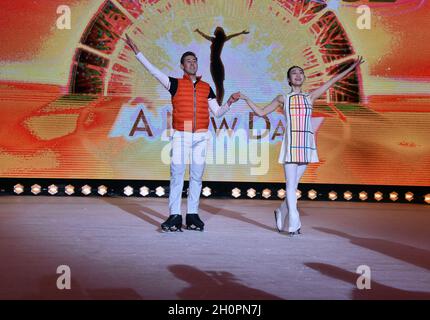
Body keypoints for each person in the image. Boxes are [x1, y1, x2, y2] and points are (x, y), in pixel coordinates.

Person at [124, 34, 240, 232]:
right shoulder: (174, 84)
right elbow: (153, 72)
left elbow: (218, 113)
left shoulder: (206, 88)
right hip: (181, 136)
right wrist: (138, 53)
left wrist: (229, 102)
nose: (192, 64)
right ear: (182, 66)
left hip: (201, 136)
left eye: (194, 61)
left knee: (196, 177)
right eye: (188, 61)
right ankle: (175, 215)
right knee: (177, 176)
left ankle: (192, 215)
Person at [239, 56, 364, 236]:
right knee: (290, 186)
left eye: (300, 73)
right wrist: (245, 98)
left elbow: (332, 81)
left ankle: (281, 211)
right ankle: (294, 223)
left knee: (294, 185)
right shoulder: (283, 98)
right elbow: (260, 112)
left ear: (304, 78)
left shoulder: (310, 96)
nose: (298, 75)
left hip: (306, 145)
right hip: (291, 145)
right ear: (289, 79)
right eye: (294, 73)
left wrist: (351, 67)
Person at [194, 27, 249, 105]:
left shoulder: (221, 40)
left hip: (217, 64)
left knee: (219, 85)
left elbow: (232, 36)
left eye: (216, 30)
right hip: (213, 64)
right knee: (218, 85)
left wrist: (241, 32)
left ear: (218, 32)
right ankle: (218, 102)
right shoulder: (214, 40)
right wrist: (199, 31)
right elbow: (205, 36)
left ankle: (219, 103)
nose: (215, 31)